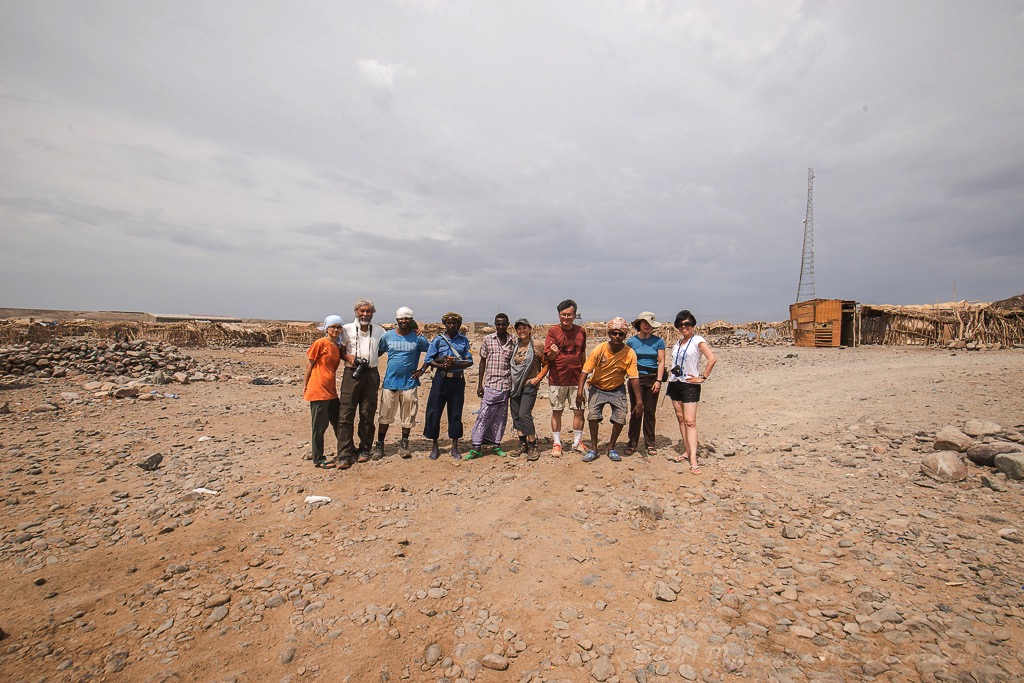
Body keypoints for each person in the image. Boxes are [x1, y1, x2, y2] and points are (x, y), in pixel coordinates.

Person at [576, 317, 643, 463]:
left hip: (617, 388)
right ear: (609, 334)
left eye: (620, 334)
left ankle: (611, 447)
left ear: (625, 336)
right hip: (597, 387)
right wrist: (579, 392)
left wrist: (639, 401)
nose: (617, 337)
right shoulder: (599, 349)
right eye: (614, 333)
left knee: (620, 417)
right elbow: (585, 371)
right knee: (593, 416)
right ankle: (594, 448)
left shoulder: (629, 353)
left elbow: (634, 377)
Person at [373, 307, 429, 460]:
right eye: (401, 318)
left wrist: (422, 370)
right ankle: (380, 445)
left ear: (411, 320)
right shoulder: (388, 336)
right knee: (385, 414)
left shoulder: (418, 338)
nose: (404, 321)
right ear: (397, 320)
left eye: (407, 318)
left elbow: (431, 353)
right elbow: (377, 353)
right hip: (390, 382)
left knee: (408, 415)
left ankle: (404, 444)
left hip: (409, 382)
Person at [666, 310, 717, 474]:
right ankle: (687, 451)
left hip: (689, 384)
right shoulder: (678, 343)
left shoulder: (697, 340)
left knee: (690, 421)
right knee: (681, 418)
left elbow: (712, 358)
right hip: (675, 382)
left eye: (687, 324)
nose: (684, 327)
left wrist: (702, 377)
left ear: (693, 325)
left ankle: (693, 459)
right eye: (680, 324)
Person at [336, 298, 385, 468]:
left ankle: (365, 449)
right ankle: (344, 453)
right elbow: (341, 351)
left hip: (371, 374)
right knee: (346, 413)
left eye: (368, 311)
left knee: (367, 413)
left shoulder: (379, 331)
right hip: (352, 373)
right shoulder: (347, 329)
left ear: (373, 313)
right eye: (362, 311)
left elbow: (382, 350)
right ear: (356, 312)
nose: (365, 314)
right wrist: (349, 357)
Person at [422, 312, 474, 460]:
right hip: (441, 379)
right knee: (434, 411)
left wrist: (455, 364)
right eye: (449, 323)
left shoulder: (464, 340)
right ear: (444, 324)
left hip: (457, 380)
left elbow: (469, 360)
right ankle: (435, 446)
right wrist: (441, 365)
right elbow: (429, 359)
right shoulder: (438, 340)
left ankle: (454, 447)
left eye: (454, 323)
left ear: (459, 324)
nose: (452, 325)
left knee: (455, 412)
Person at [302, 315, 351, 468]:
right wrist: (305, 386)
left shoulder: (336, 346)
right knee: (319, 426)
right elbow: (309, 365)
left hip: (331, 390)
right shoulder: (320, 343)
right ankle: (318, 458)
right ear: (326, 328)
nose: (336, 330)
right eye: (332, 327)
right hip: (318, 389)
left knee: (338, 422)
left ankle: (345, 451)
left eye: (338, 327)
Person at [467, 313, 516, 459]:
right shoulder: (488, 339)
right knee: (484, 415)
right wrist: (479, 384)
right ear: (495, 324)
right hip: (490, 384)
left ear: (508, 324)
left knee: (500, 417)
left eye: (503, 324)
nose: (501, 326)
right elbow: (482, 362)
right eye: (498, 324)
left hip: (506, 385)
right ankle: (476, 446)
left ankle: (496, 444)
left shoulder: (513, 341)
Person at [544, 298, 587, 456]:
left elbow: (582, 353)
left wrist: (585, 373)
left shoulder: (581, 331)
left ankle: (577, 442)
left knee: (579, 410)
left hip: (577, 379)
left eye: (569, 314)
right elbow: (548, 357)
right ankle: (557, 443)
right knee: (557, 411)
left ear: (574, 315)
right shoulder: (553, 332)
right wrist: (553, 352)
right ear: (559, 315)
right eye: (563, 314)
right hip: (558, 379)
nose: (566, 317)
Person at [625, 311, 666, 457]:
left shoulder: (659, 342)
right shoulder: (631, 342)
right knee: (636, 410)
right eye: (644, 323)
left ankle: (650, 443)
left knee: (650, 411)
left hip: (652, 378)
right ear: (639, 324)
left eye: (649, 323)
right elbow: (626, 360)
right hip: (635, 378)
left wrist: (659, 380)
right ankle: (632, 443)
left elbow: (661, 362)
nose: (646, 326)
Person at [508, 318, 548, 460]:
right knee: (516, 415)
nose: (522, 331)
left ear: (530, 329)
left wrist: (538, 378)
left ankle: (532, 444)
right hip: (515, 385)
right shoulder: (515, 345)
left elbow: (546, 363)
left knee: (524, 414)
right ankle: (522, 443)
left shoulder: (537, 345)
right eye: (519, 329)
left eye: (525, 328)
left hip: (529, 385)